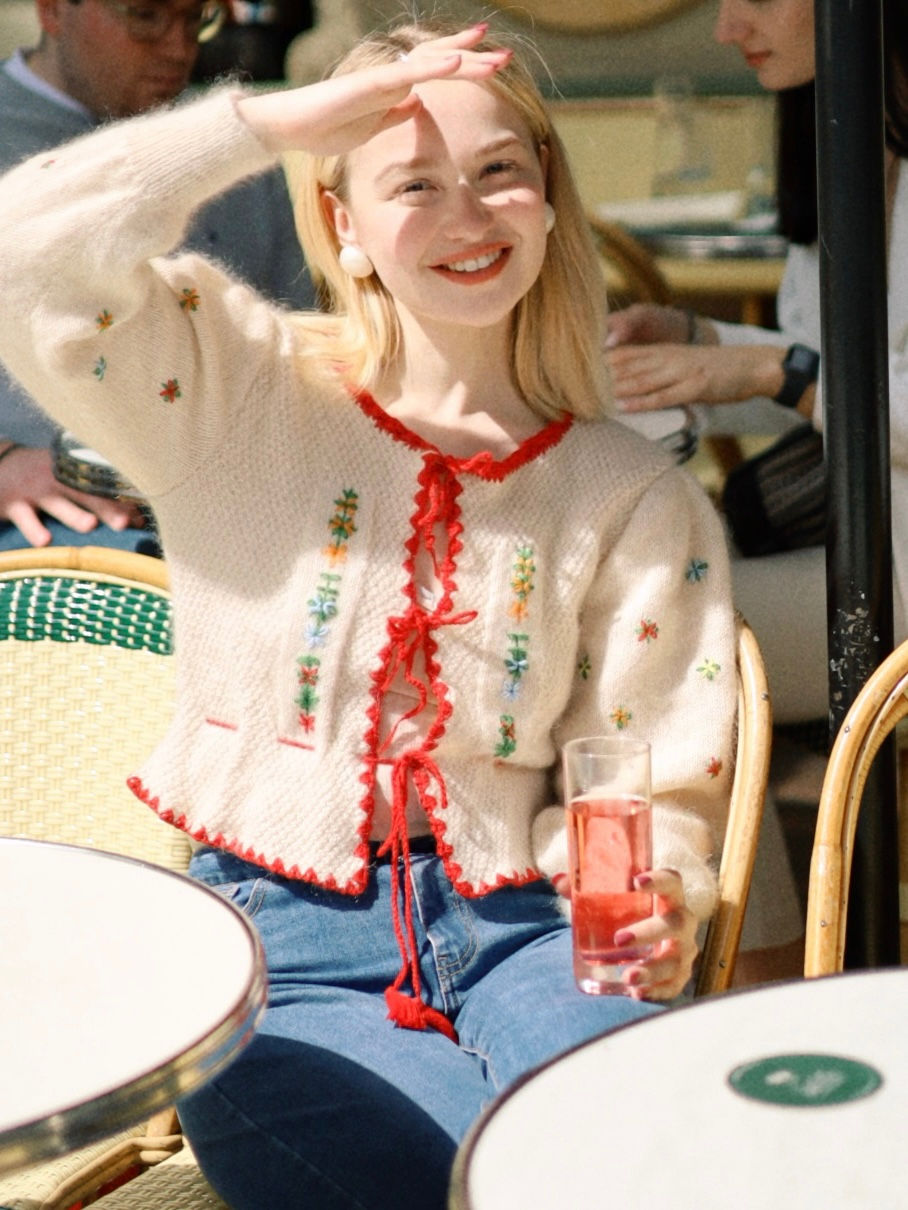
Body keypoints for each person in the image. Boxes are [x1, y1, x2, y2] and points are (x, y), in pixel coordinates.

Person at [0, 20, 737, 1208]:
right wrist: (267, 125)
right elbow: (24, 252)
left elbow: (646, 768)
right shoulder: (232, 393)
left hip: (535, 927)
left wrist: (657, 889)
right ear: (339, 219)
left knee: (624, 1161)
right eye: (413, 183)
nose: (467, 214)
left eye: (498, 170)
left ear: (549, 197)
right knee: (449, 1181)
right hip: (275, 955)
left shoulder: (629, 493)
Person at [605, 0, 908, 727]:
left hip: (894, 570)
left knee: (638, 645)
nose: (727, 28)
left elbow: (812, 376)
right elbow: (822, 368)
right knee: (622, 613)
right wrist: (700, 340)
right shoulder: (846, 140)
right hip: (875, 544)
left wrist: (777, 373)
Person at [0, 0, 316, 553]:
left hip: (248, 516)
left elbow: (306, 353)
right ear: (52, 10)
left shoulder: (237, 150)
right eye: (146, 16)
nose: (178, 47)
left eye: (196, 19)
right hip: (52, 530)